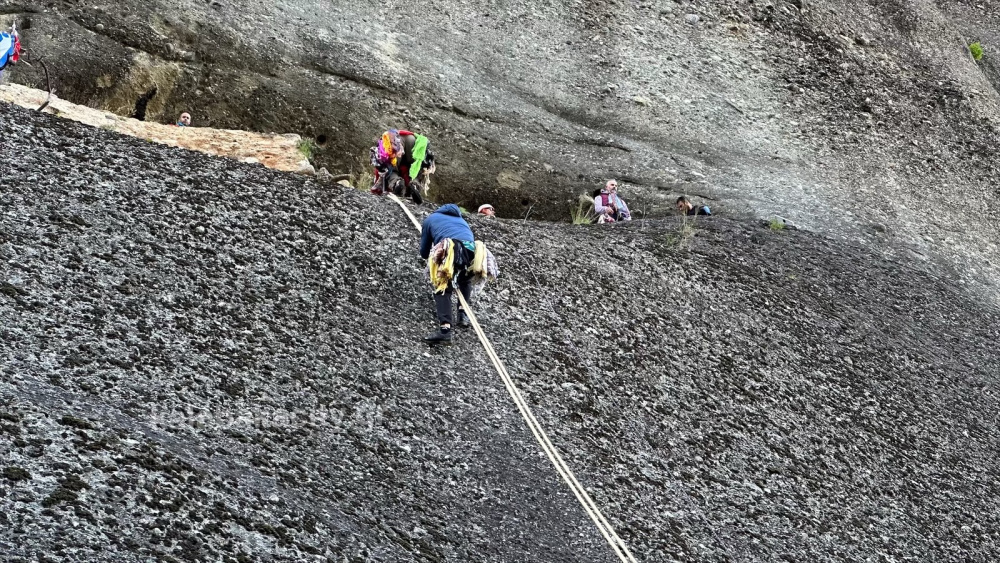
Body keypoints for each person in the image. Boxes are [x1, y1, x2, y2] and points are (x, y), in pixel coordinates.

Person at [419, 204, 496, 344]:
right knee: (465, 280)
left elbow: (424, 253)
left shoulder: (430, 219)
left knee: (443, 287)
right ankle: (462, 314)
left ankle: (445, 331)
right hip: (474, 251)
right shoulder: (461, 221)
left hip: (452, 249)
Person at [370, 129, 436, 204]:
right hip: (414, 140)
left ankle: (396, 182)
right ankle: (415, 185)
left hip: (395, 140)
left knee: (392, 169)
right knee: (417, 168)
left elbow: (383, 169)